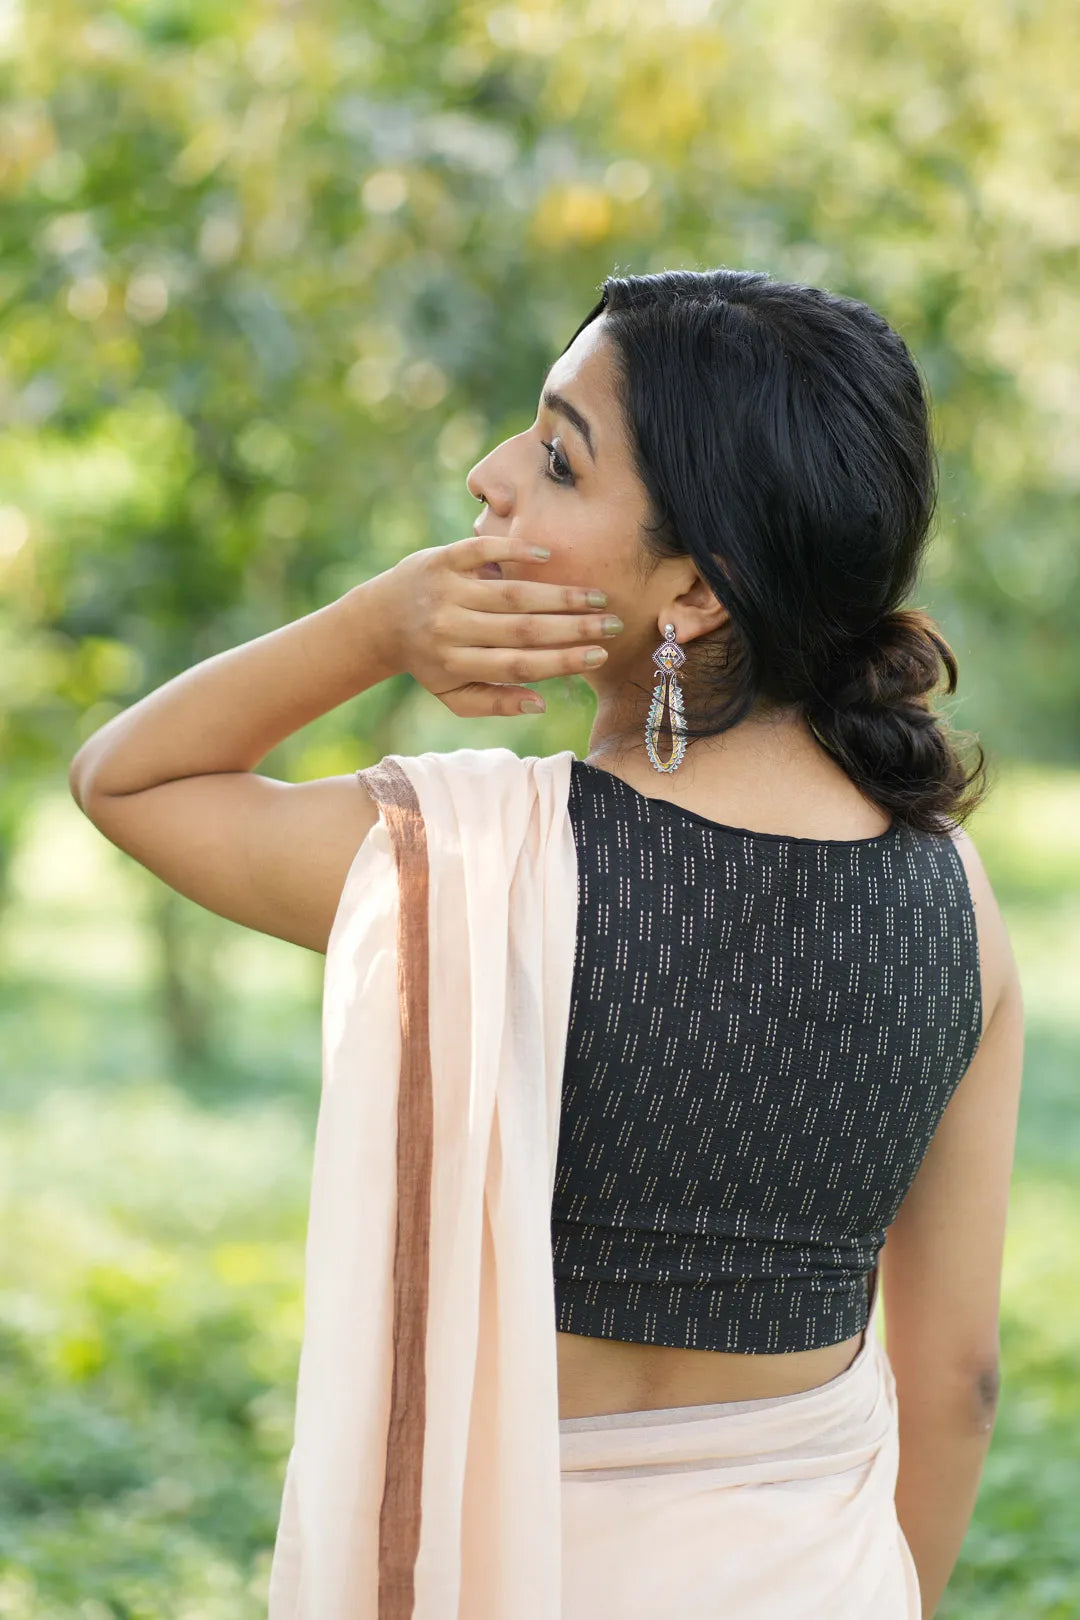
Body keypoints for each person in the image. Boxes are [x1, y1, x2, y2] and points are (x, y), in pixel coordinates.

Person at [69, 268, 1025, 1619]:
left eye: (559, 457)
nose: (489, 472)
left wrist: (375, 628)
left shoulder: (473, 856)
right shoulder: (957, 899)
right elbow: (960, 1379)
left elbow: (131, 779)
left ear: (692, 595)